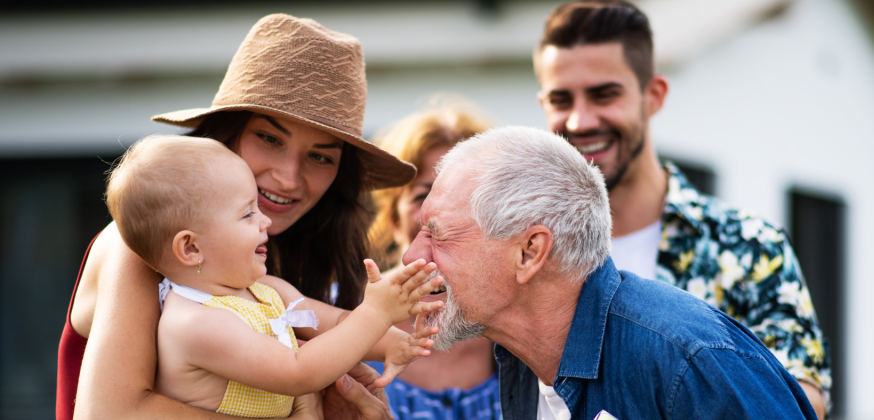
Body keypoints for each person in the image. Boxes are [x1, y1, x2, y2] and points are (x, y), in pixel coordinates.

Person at [56, 14, 407, 420]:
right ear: (227, 131)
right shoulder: (144, 244)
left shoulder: (282, 257)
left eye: (320, 157)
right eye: (269, 138)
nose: (288, 177)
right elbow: (107, 413)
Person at [531, 1, 830, 417]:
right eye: (561, 100)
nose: (580, 121)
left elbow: (799, 401)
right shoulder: (527, 251)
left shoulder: (748, 246)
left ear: (653, 96)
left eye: (604, 95)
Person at [401, 126, 817, 419]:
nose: (411, 256)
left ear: (530, 252)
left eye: (438, 234)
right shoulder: (522, 361)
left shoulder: (691, 364)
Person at [104, 135, 444, 418]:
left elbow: (336, 322)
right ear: (191, 248)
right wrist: (376, 312)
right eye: (247, 214)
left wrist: (392, 343)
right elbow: (297, 371)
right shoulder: (194, 323)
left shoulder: (264, 289)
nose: (265, 221)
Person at [368, 103, 501, 419]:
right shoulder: (342, 314)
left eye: (465, 198)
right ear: (392, 218)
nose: (441, 214)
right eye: (423, 196)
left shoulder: (514, 322)